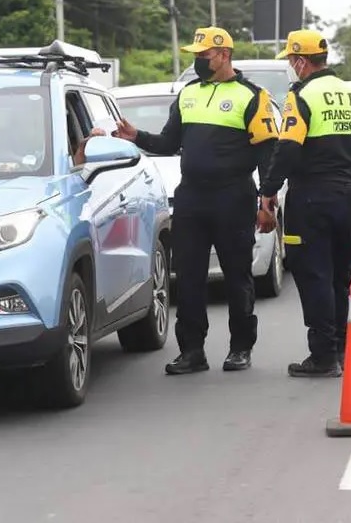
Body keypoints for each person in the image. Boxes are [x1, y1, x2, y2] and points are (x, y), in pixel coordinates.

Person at [114, 26, 280, 375]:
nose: (198, 63)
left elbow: (267, 152)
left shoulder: (252, 95)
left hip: (233, 196)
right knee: (188, 276)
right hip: (191, 196)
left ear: (224, 55)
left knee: (237, 276)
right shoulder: (188, 94)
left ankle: (240, 348)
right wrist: (136, 136)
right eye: (195, 57)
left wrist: (268, 200)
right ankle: (192, 351)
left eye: (203, 57)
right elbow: (168, 142)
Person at [258, 29, 351, 378]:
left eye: (291, 62)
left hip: (312, 198)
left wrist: (268, 191)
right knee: (341, 274)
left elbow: (288, 147)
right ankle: (341, 345)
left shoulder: (301, 96)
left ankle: (323, 355)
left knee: (313, 274)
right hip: (349, 197)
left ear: (300, 61)